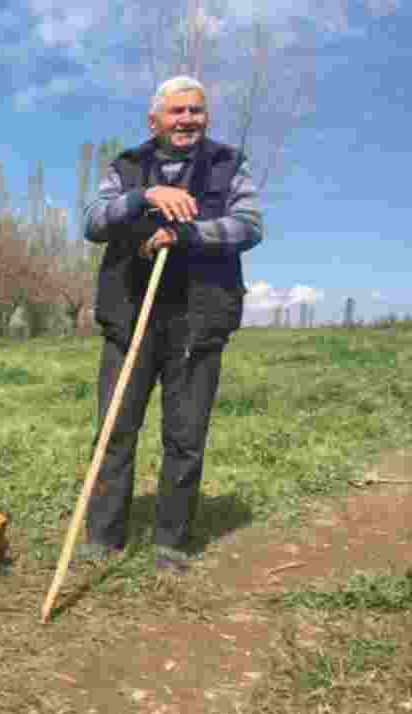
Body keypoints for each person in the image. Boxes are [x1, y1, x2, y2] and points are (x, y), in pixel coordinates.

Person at [81, 75, 263, 572]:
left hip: (199, 322)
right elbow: (94, 221)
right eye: (177, 111)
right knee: (114, 430)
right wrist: (145, 198)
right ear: (154, 120)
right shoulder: (128, 166)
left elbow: (249, 225)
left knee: (185, 436)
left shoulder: (229, 165)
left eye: (196, 111)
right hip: (130, 318)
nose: (187, 120)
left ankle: (170, 541)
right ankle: (102, 536)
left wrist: (189, 235)